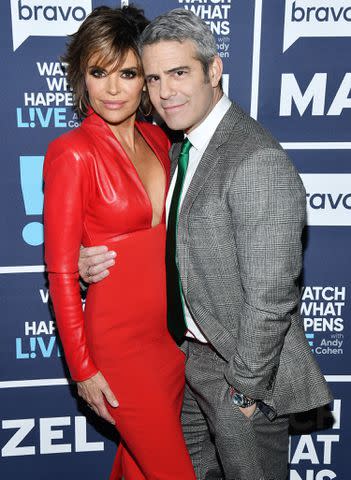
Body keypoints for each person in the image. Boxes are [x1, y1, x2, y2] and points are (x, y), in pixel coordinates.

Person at [79, 8, 333, 480]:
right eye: (154, 78)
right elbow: (172, 242)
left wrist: (243, 392)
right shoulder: (181, 146)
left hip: (239, 375)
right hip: (189, 362)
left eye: (179, 73)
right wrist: (85, 256)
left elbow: (272, 297)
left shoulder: (255, 159)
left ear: (213, 71)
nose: (165, 91)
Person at [43, 6, 196, 480]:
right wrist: (83, 370)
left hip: (169, 345)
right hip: (119, 349)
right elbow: (61, 274)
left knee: (138, 469)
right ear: (81, 78)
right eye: (98, 72)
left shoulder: (160, 140)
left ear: (146, 81)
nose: (112, 89)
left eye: (127, 73)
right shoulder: (72, 153)